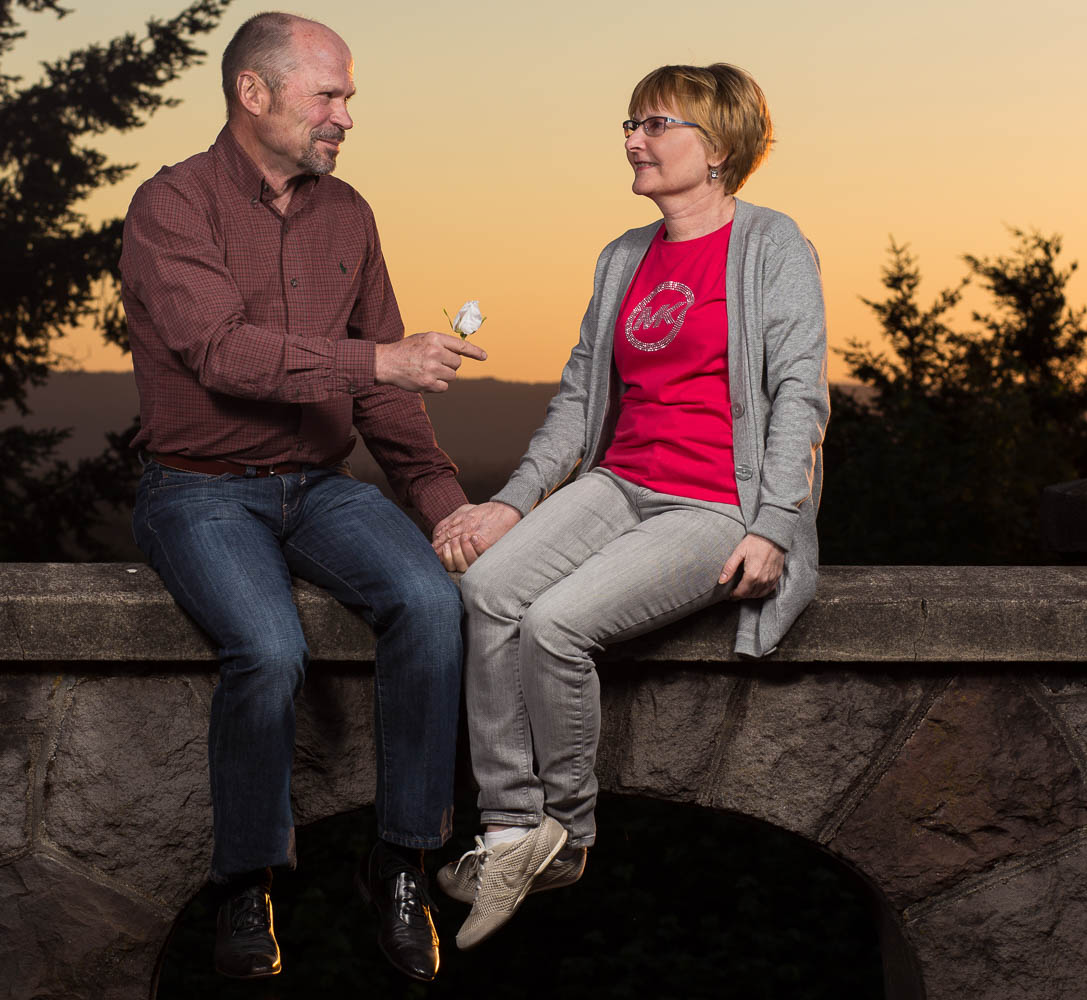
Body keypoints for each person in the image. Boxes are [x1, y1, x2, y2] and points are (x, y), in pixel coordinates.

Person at [119, 12, 486, 984]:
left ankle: (401, 861)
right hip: (197, 491)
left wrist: (443, 502)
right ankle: (246, 883)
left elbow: (383, 397)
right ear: (254, 93)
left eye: (349, 98)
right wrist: (380, 357)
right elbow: (222, 353)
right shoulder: (171, 207)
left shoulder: (349, 215)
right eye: (329, 95)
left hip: (322, 487)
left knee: (431, 603)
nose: (345, 117)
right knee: (271, 647)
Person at [430, 63, 828, 949]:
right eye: (630, 123)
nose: (633, 140)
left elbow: (800, 393)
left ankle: (567, 834)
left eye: (655, 125)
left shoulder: (772, 245)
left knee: (555, 626)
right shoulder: (622, 257)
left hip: (716, 504)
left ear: (716, 147)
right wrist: (513, 503)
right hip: (619, 482)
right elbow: (579, 399)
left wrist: (774, 525)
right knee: (487, 590)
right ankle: (510, 829)